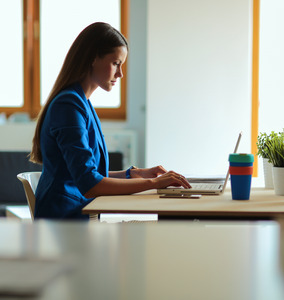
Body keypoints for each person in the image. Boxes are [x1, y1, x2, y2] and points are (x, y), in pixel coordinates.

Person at [29, 22, 191, 220]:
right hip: (63, 222)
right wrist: (155, 184)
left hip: (76, 215)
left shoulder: (81, 102)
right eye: (116, 63)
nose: (120, 74)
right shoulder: (68, 105)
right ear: (92, 58)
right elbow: (90, 184)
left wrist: (133, 174)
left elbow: (92, 174)